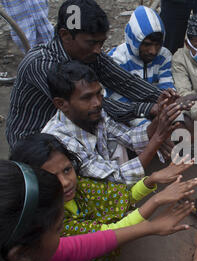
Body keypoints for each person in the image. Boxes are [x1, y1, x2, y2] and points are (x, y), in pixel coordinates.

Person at [0, 160, 197, 261]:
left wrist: (149, 227)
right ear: (20, 256)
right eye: (59, 228)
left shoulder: (14, 259)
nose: (63, 236)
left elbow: (73, 249)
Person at [10, 133, 197, 261]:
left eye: (67, 170)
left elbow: (120, 199)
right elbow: (110, 233)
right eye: (52, 177)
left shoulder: (81, 188)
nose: (66, 182)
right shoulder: (47, 219)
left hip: (71, 254)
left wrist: (151, 180)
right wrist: (155, 202)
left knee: (109, 243)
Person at [5, 0, 177, 149]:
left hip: (71, 129)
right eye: (92, 42)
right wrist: (148, 109)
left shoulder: (88, 53)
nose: (98, 50)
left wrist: (164, 98)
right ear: (65, 35)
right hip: (33, 141)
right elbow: (92, 106)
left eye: (101, 43)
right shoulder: (41, 64)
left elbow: (124, 81)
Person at [42, 60, 187, 185]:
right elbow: (115, 180)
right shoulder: (59, 141)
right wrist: (158, 137)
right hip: (87, 207)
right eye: (87, 98)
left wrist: (160, 117)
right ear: (61, 104)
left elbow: (129, 137)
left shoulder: (93, 114)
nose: (98, 102)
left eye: (99, 93)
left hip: (108, 195)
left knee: (117, 145)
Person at [107, 5, 175, 104]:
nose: (153, 51)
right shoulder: (117, 59)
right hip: (124, 112)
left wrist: (169, 97)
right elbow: (118, 102)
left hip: (156, 107)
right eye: (147, 44)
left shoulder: (164, 56)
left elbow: (166, 86)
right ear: (135, 40)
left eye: (158, 44)